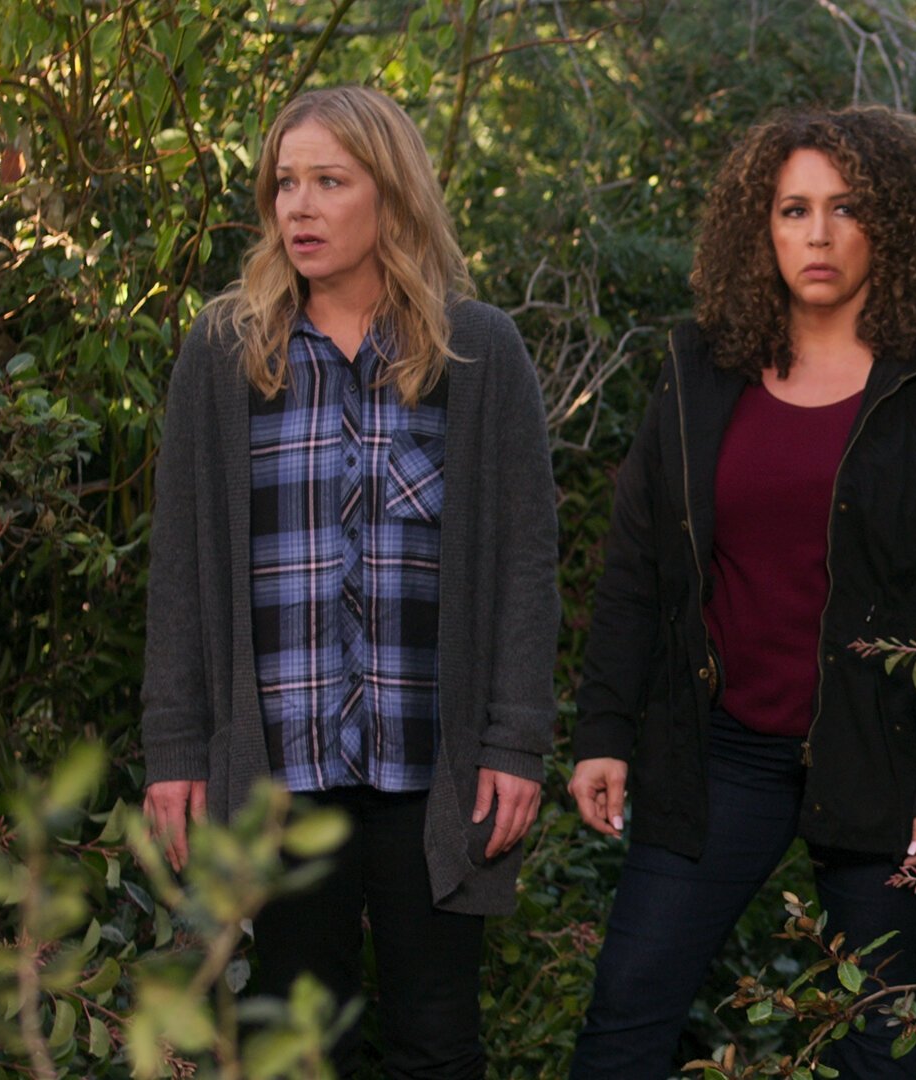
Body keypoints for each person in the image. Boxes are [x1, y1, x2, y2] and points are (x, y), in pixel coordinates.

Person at [568, 105, 916, 1079]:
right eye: (793, 210)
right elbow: (640, 567)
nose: (818, 235)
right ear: (761, 229)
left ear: (892, 225)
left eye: (845, 208)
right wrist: (604, 729)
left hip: (876, 751)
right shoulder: (700, 370)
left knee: (882, 1044)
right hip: (720, 749)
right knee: (626, 1019)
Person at [139, 85, 559, 1079]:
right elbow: (183, 566)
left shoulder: (477, 352)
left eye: (330, 181)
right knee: (292, 1046)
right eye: (286, 183)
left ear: (392, 193)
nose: (300, 206)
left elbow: (523, 566)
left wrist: (515, 741)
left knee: (436, 1043)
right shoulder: (225, 353)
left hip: (432, 768)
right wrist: (175, 748)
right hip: (279, 771)